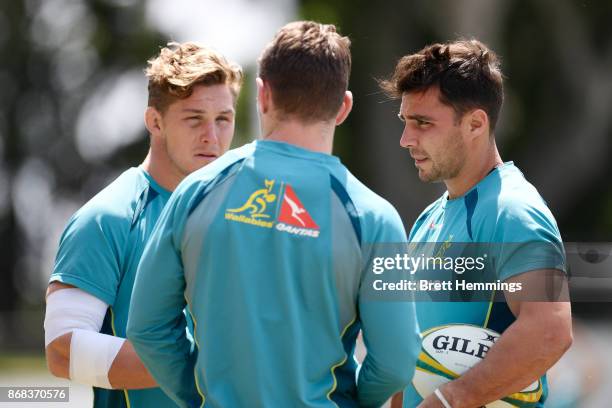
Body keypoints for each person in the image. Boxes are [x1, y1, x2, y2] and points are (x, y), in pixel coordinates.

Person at [127, 21, 421, 408]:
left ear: (262, 96)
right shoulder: (374, 218)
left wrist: (197, 395)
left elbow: (147, 330)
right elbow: (398, 361)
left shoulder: (195, 192)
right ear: (344, 107)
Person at [43, 42, 243, 408]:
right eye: (194, 118)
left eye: (223, 120)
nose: (212, 138)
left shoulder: (245, 217)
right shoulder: (107, 218)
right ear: (155, 122)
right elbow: (62, 349)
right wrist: (214, 366)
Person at [381, 39, 573, 408]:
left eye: (423, 123)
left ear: (475, 123)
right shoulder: (429, 218)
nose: (406, 139)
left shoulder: (512, 210)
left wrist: (450, 400)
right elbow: (412, 348)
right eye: (405, 122)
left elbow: (551, 329)